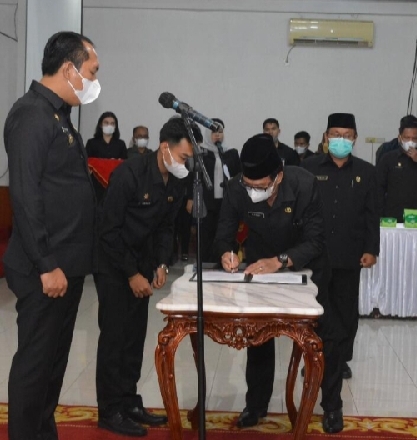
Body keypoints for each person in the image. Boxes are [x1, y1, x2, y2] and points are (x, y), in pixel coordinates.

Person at [3, 31, 100, 440]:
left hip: (67, 265)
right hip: (45, 268)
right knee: (35, 365)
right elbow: (25, 196)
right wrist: (46, 265)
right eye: (91, 71)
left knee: (53, 367)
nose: (94, 81)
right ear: (68, 69)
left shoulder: (59, 116)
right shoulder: (31, 115)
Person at [214, 134, 345, 433]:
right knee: (258, 336)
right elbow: (223, 234)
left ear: (279, 176)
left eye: (260, 187)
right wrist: (226, 253)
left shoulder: (304, 184)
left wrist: (280, 261)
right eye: (248, 185)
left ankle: (332, 406)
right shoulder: (236, 188)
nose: (253, 191)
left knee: (326, 337)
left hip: (307, 267)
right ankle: (256, 405)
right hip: (261, 268)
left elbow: (315, 240)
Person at [95, 117, 196, 437]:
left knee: (134, 337)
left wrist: (161, 264)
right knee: (114, 338)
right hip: (114, 264)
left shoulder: (176, 180)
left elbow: (166, 226)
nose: (185, 163)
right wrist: (131, 274)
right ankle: (110, 410)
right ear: (165, 147)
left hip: (142, 262)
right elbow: (108, 231)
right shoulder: (129, 174)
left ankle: (129, 402)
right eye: (182, 156)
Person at [302, 113, 379, 380]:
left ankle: (341, 360)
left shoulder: (366, 172)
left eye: (347, 136)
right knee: (316, 309)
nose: (341, 140)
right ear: (326, 136)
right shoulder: (309, 167)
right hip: (315, 254)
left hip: (350, 253)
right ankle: (313, 357)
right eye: (335, 134)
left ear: (355, 138)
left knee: (345, 310)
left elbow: (372, 214)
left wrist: (371, 249)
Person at [192, 118, 241, 263]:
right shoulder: (200, 153)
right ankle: (205, 264)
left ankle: (226, 261)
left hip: (226, 201)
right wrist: (191, 198)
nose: (217, 135)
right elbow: (192, 177)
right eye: (214, 132)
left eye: (220, 132)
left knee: (225, 234)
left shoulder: (231, 153)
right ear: (208, 134)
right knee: (206, 234)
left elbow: (238, 176)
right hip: (207, 201)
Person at [376, 115, 417, 223]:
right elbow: (378, 187)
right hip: (393, 216)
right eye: (407, 138)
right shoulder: (388, 158)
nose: (411, 141)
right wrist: (379, 213)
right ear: (400, 137)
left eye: (414, 138)